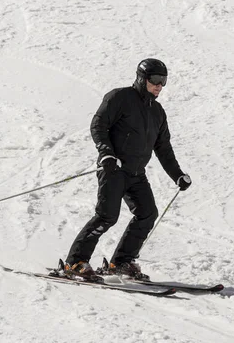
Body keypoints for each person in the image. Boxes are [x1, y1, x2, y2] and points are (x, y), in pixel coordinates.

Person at [62, 58, 191, 280]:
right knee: (106, 217)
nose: (159, 86)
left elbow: (163, 148)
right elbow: (98, 125)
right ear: (142, 79)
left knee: (147, 214)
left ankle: (121, 263)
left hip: (136, 173)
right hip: (114, 169)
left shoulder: (158, 112)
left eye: (164, 81)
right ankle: (75, 263)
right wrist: (106, 153)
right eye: (155, 80)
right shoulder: (119, 98)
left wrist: (177, 175)